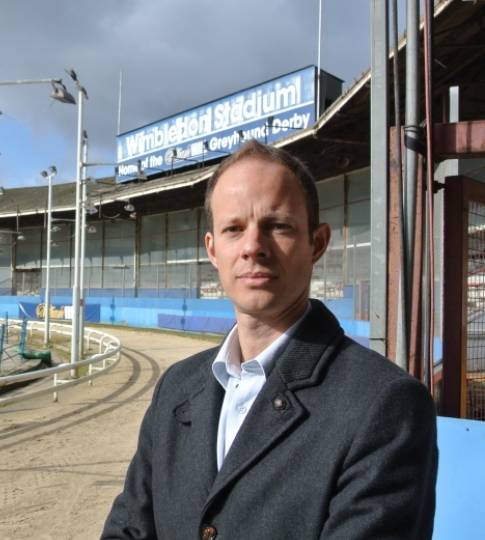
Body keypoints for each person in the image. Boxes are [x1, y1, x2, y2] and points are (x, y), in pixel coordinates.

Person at [101, 140, 438, 540]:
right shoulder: (176, 387)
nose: (252, 248)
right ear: (213, 250)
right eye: (233, 229)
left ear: (317, 243)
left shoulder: (386, 405)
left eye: (277, 226)